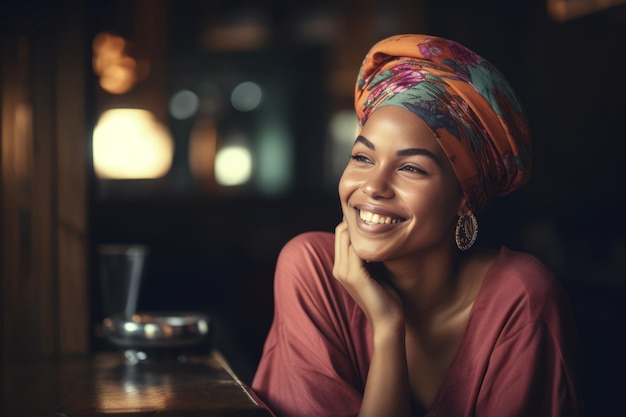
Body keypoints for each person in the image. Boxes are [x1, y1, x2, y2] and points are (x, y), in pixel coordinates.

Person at [251, 34, 582, 417]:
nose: (373, 187)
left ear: (464, 197)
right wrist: (388, 326)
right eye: (362, 157)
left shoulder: (522, 300)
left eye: (411, 168)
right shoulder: (312, 269)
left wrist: (388, 326)